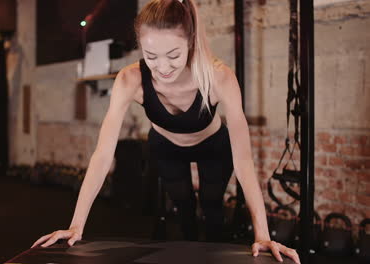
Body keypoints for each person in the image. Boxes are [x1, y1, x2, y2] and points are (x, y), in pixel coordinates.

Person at [32, 0, 300, 263]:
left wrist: (263, 235)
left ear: (190, 44)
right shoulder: (130, 79)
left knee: (212, 206)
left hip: (213, 147)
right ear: (140, 48)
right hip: (166, 147)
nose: (161, 67)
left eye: (173, 55)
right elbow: (102, 155)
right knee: (183, 208)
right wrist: (76, 225)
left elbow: (243, 161)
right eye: (151, 57)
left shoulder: (219, 78)